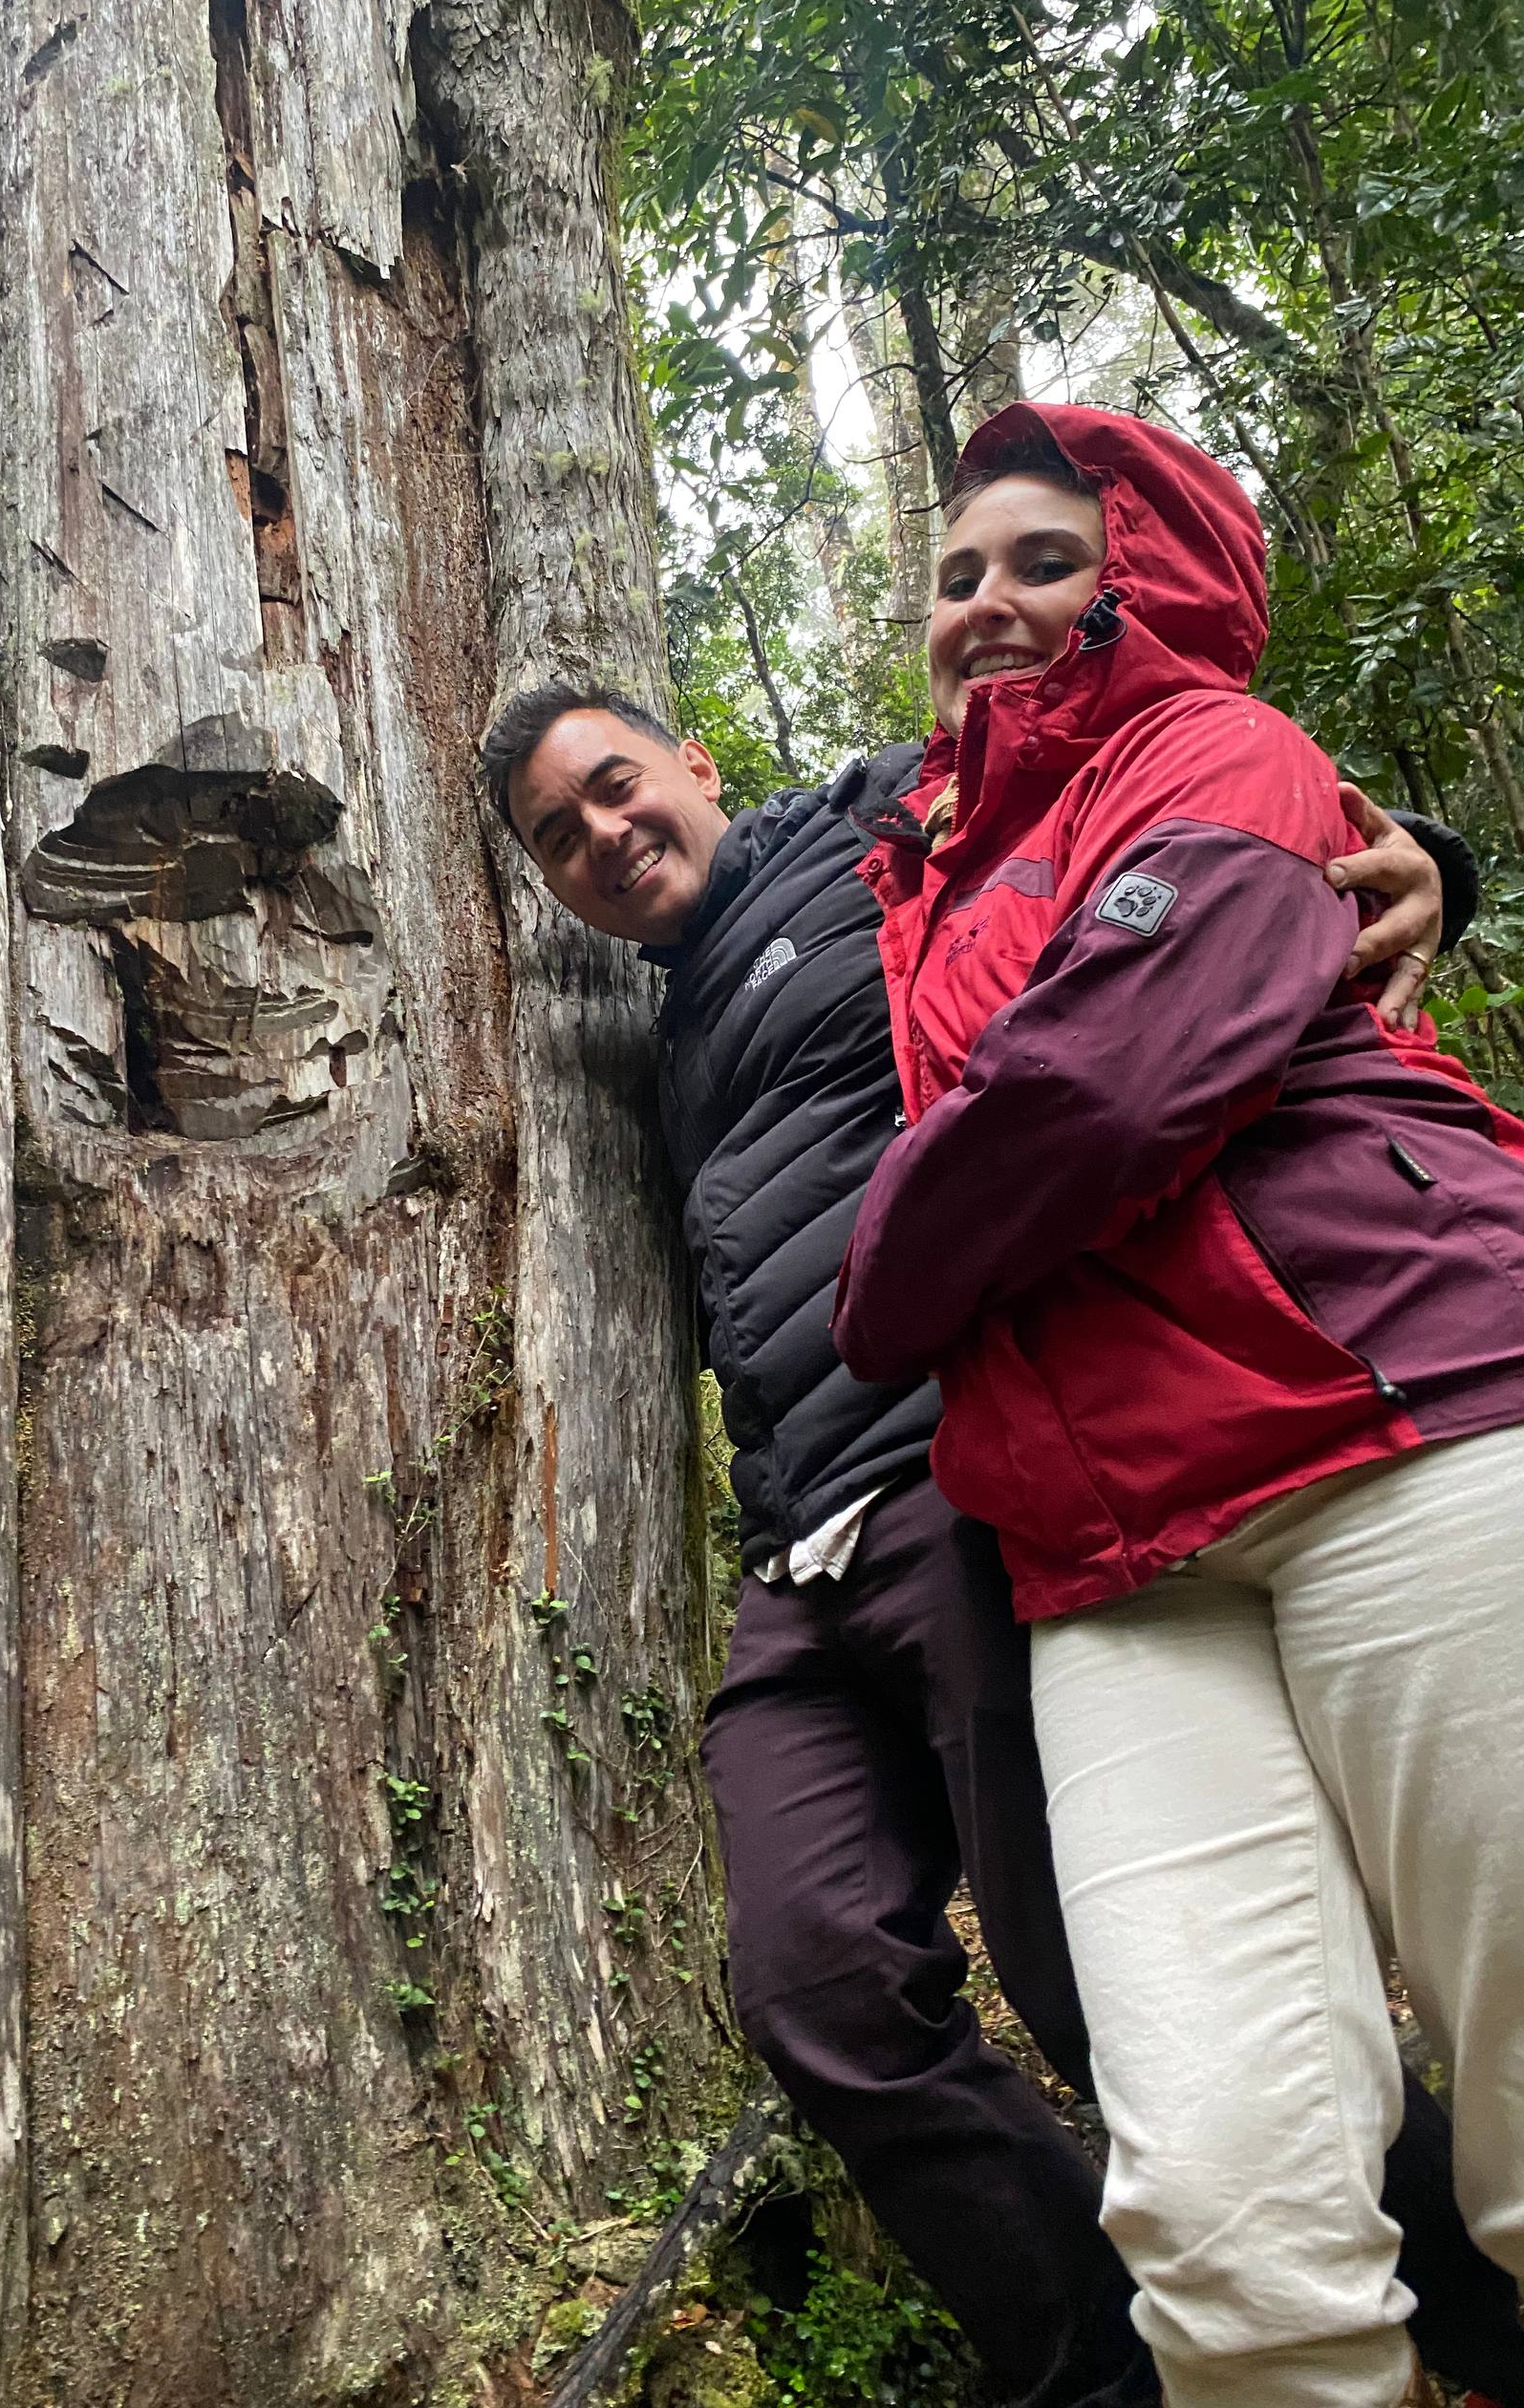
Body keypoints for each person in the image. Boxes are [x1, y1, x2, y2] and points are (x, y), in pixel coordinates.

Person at [478, 677, 1524, 2408]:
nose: (601, 834)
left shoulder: (887, 828)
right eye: (556, 836)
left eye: (615, 785)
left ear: (696, 764)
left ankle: (1461, 2331)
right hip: (796, 1551)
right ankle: (1104, 2371)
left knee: (1105, 1984)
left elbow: (1149, 813)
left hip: (966, 1484)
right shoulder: (654, 1045)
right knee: (815, 1983)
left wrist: (1420, 851)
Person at [832, 399, 1524, 2408]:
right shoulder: (916, 870)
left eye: (1046, 558)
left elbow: (1113, 1076)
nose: (992, 601)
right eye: (958, 574)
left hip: (1402, 1412)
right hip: (1110, 1553)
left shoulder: (1221, 746)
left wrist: (891, 1275)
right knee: (1221, 2224)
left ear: (1149, 575)